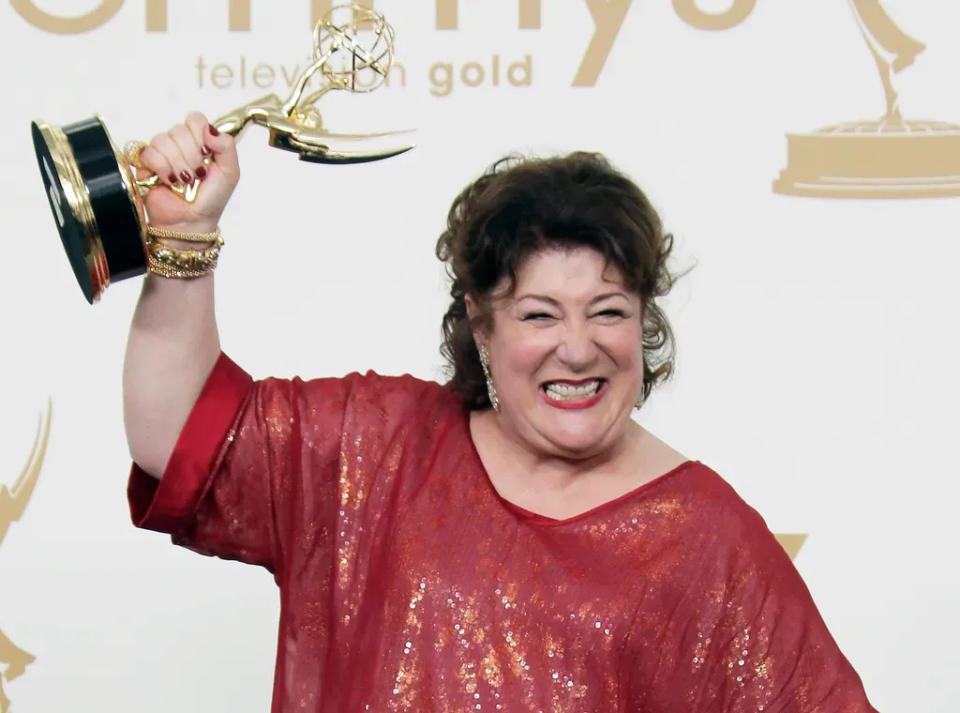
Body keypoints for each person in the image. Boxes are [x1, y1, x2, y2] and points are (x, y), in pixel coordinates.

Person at [124, 112, 878, 712]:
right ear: (480, 325)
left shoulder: (710, 539)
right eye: (539, 315)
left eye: (608, 311)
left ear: (643, 322)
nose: (577, 349)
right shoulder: (379, 449)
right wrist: (182, 236)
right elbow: (180, 438)